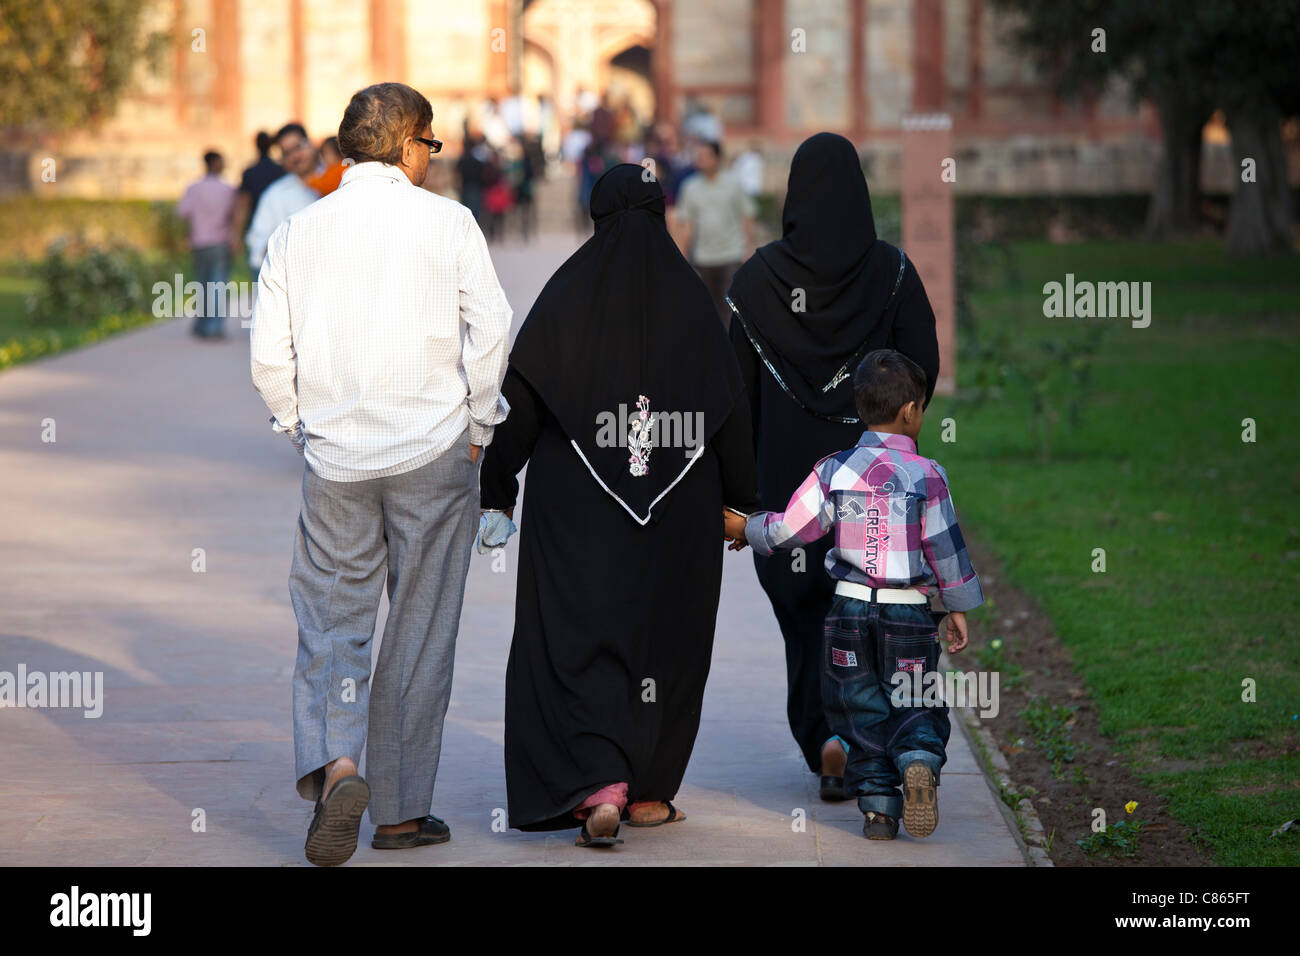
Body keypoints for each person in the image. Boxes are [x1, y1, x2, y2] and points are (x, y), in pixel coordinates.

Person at [249, 82, 511, 866]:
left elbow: (269, 355)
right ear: (407, 144)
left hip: (335, 459)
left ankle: (340, 767)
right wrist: (479, 424)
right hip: (433, 452)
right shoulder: (449, 223)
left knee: (333, 622)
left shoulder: (298, 229)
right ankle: (398, 814)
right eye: (429, 145)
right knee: (421, 630)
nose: (431, 159)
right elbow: (491, 327)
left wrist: (297, 425)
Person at [477, 163, 757, 849]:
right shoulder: (693, 302)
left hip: (576, 503)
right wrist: (742, 502)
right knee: (667, 638)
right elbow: (729, 413)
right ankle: (651, 792)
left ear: (597, 218)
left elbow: (521, 403)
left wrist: (497, 490)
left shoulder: (565, 298)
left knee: (578, 634)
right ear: (661, 216)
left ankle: (598, 784)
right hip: (680, 508)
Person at [725, 131, 941, 802]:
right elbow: (922, 369)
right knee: (875, 625)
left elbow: (734, 398)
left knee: (808, 623)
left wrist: (738, 500)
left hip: (789, 492)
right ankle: (884, 745)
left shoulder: (757, 281)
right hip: (874, 490)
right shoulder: (893, 273)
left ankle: (827, 739)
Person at [733, 349, 983, 840]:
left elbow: (792, 529)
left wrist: (748, 527)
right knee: (913, 700)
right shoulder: (929, 476)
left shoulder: (833, 471)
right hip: (909, 616)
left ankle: (879, 811)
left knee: (858, 707)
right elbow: (946, 548)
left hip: (848, 610)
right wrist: (955, 607)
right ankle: (916, 760)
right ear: (911, 411)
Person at [674, 141, 755, 326]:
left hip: (731, 254)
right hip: (703, 257)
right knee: (708, 308)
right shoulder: (690, 187)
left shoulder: (733, 184)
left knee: (730, 308)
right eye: (698, 156)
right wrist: (682, 256)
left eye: (705, 156)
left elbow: (746, 216)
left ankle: (731, 349)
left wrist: (748, 246)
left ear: (717, 158)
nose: (700, 160)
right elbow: (686, 224)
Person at [176, 150, 236, 339]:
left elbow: (183, 213)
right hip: (220, 242)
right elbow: (235, 215)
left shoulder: (194, 188)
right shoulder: (228, 190)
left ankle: (202, 325)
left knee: (202, 284)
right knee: (217, 284)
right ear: (218, 164)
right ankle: (214, 327)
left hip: (199, 243)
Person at [245, 122, 321, 271]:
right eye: (287, 153)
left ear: (311, 144)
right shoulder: (274, 195)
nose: (295, 156)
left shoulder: (340, 179)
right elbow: (257, 245)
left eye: (298, 147)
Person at [233, 131, 284, 259]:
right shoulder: (280, 170)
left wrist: (237, 235)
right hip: (279, 226)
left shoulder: (250, 173)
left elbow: (243, 205)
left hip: (257, 227)